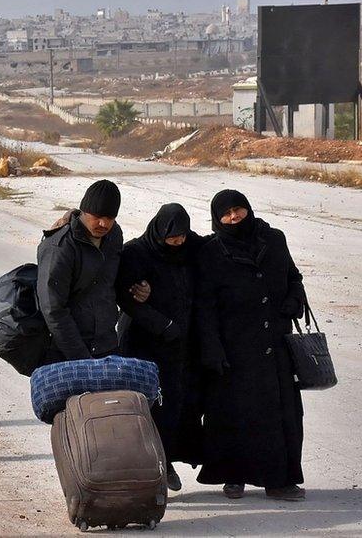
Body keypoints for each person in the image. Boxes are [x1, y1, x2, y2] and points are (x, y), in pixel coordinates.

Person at [195, 190, 307, 502]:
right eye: (226, 214)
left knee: (283, 415)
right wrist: (212, 349)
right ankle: (234, 476)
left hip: (276, 344)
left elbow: (294, 276)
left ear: (248, 209)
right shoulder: (212, 252)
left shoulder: (274, 239)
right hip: (235, 348)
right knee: (234, 415)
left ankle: (280, 480)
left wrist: (294, 299)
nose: (233, 218)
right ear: (217, 219)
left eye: (238, 210)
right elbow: (205, 306)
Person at [116, 203, 204, 492]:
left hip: (178, 348)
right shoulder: (136, 253)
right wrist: (162, 324)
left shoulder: (189, 250)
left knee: (175, 407)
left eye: (182, 236)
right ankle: (149, 469)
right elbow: (127, 298)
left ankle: (165, 463)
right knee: (145, 407)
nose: (178, 242)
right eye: (172, 237)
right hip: (142, 346)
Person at [36, 180, 125, 361]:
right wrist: (81, 357)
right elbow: (53, 308)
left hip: (106, 346)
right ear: (84, 211)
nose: (103, 223)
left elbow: (112, 283)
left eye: (110, 218)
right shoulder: (60, 246)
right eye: (97, 216)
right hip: (66, 352)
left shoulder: (114, 235)